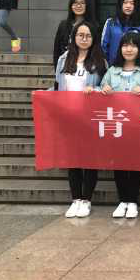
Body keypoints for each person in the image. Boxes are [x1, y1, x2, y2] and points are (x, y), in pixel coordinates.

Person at [100, 31, 140, 219]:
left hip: (138, 125)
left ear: (139, 49)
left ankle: (132, 201)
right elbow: (100, 90)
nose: (129, 49)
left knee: (135, 163)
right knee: (119, 163)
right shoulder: (112, 71)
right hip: (116, 125)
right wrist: (103, 89)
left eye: (133, 45)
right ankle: (122, 200)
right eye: (125, 45)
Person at [55, 21, 107, 218]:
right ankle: (75, 199)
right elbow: (57, 86)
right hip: (68, 117)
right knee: (73, 160)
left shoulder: (100, 61)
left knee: (90, 159)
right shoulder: (63, 59)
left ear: (93, 39)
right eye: (80, 35)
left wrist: (96, 89)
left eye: (88, 36)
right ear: (74, 37)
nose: (84, 39)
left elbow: (106, 88)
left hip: (90, 118)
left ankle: (86, 200)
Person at [101, 0, 140, 66]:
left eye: (132, 3)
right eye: (125, 2)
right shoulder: (111, 22)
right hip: (114, 67)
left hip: (135, 67)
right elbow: (104, 47)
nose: (128, 6)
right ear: (120, 4)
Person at [53, 0, 96, 69]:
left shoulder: (94, 26)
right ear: (71, 6)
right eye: (75, 3)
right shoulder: (63, 25)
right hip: (66, 67)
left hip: (87, 67)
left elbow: (96, 49)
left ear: (87, 5)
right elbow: (57, 50)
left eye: (82, 3)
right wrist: (57, 69)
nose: (78, 6)